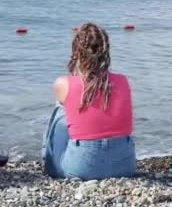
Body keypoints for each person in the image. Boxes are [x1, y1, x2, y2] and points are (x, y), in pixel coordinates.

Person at [42, 23, 136, 179]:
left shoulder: (63, 83)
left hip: (83, 168)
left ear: (77, 51)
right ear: (105, 51)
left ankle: (50, 165)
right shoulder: (123, 81)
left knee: (61, 113)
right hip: (125, 166)